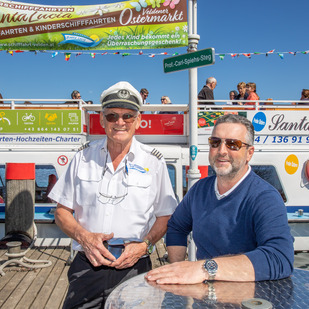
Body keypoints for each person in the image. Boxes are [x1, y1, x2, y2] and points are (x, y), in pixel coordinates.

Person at [49, 81, 177, 308]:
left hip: (135, 266)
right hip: (87, 265)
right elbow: (61, 212)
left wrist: (144, 245)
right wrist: (84, 237)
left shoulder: (154, 161)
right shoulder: (81, 158)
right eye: (112, 116)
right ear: (101, 120)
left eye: (128, 116)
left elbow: (165, 216)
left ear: (138, 120)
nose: (120, 122)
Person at [146, 114, 294, 284]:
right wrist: (179, 269)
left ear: (249, 153)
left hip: (250, 300)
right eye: (215, 143)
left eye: (233, 144)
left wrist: (204, 269)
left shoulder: (265, 198)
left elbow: (279, 258)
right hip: (204, 298)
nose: (222, 151)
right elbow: (177, 227)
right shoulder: (199, 190)